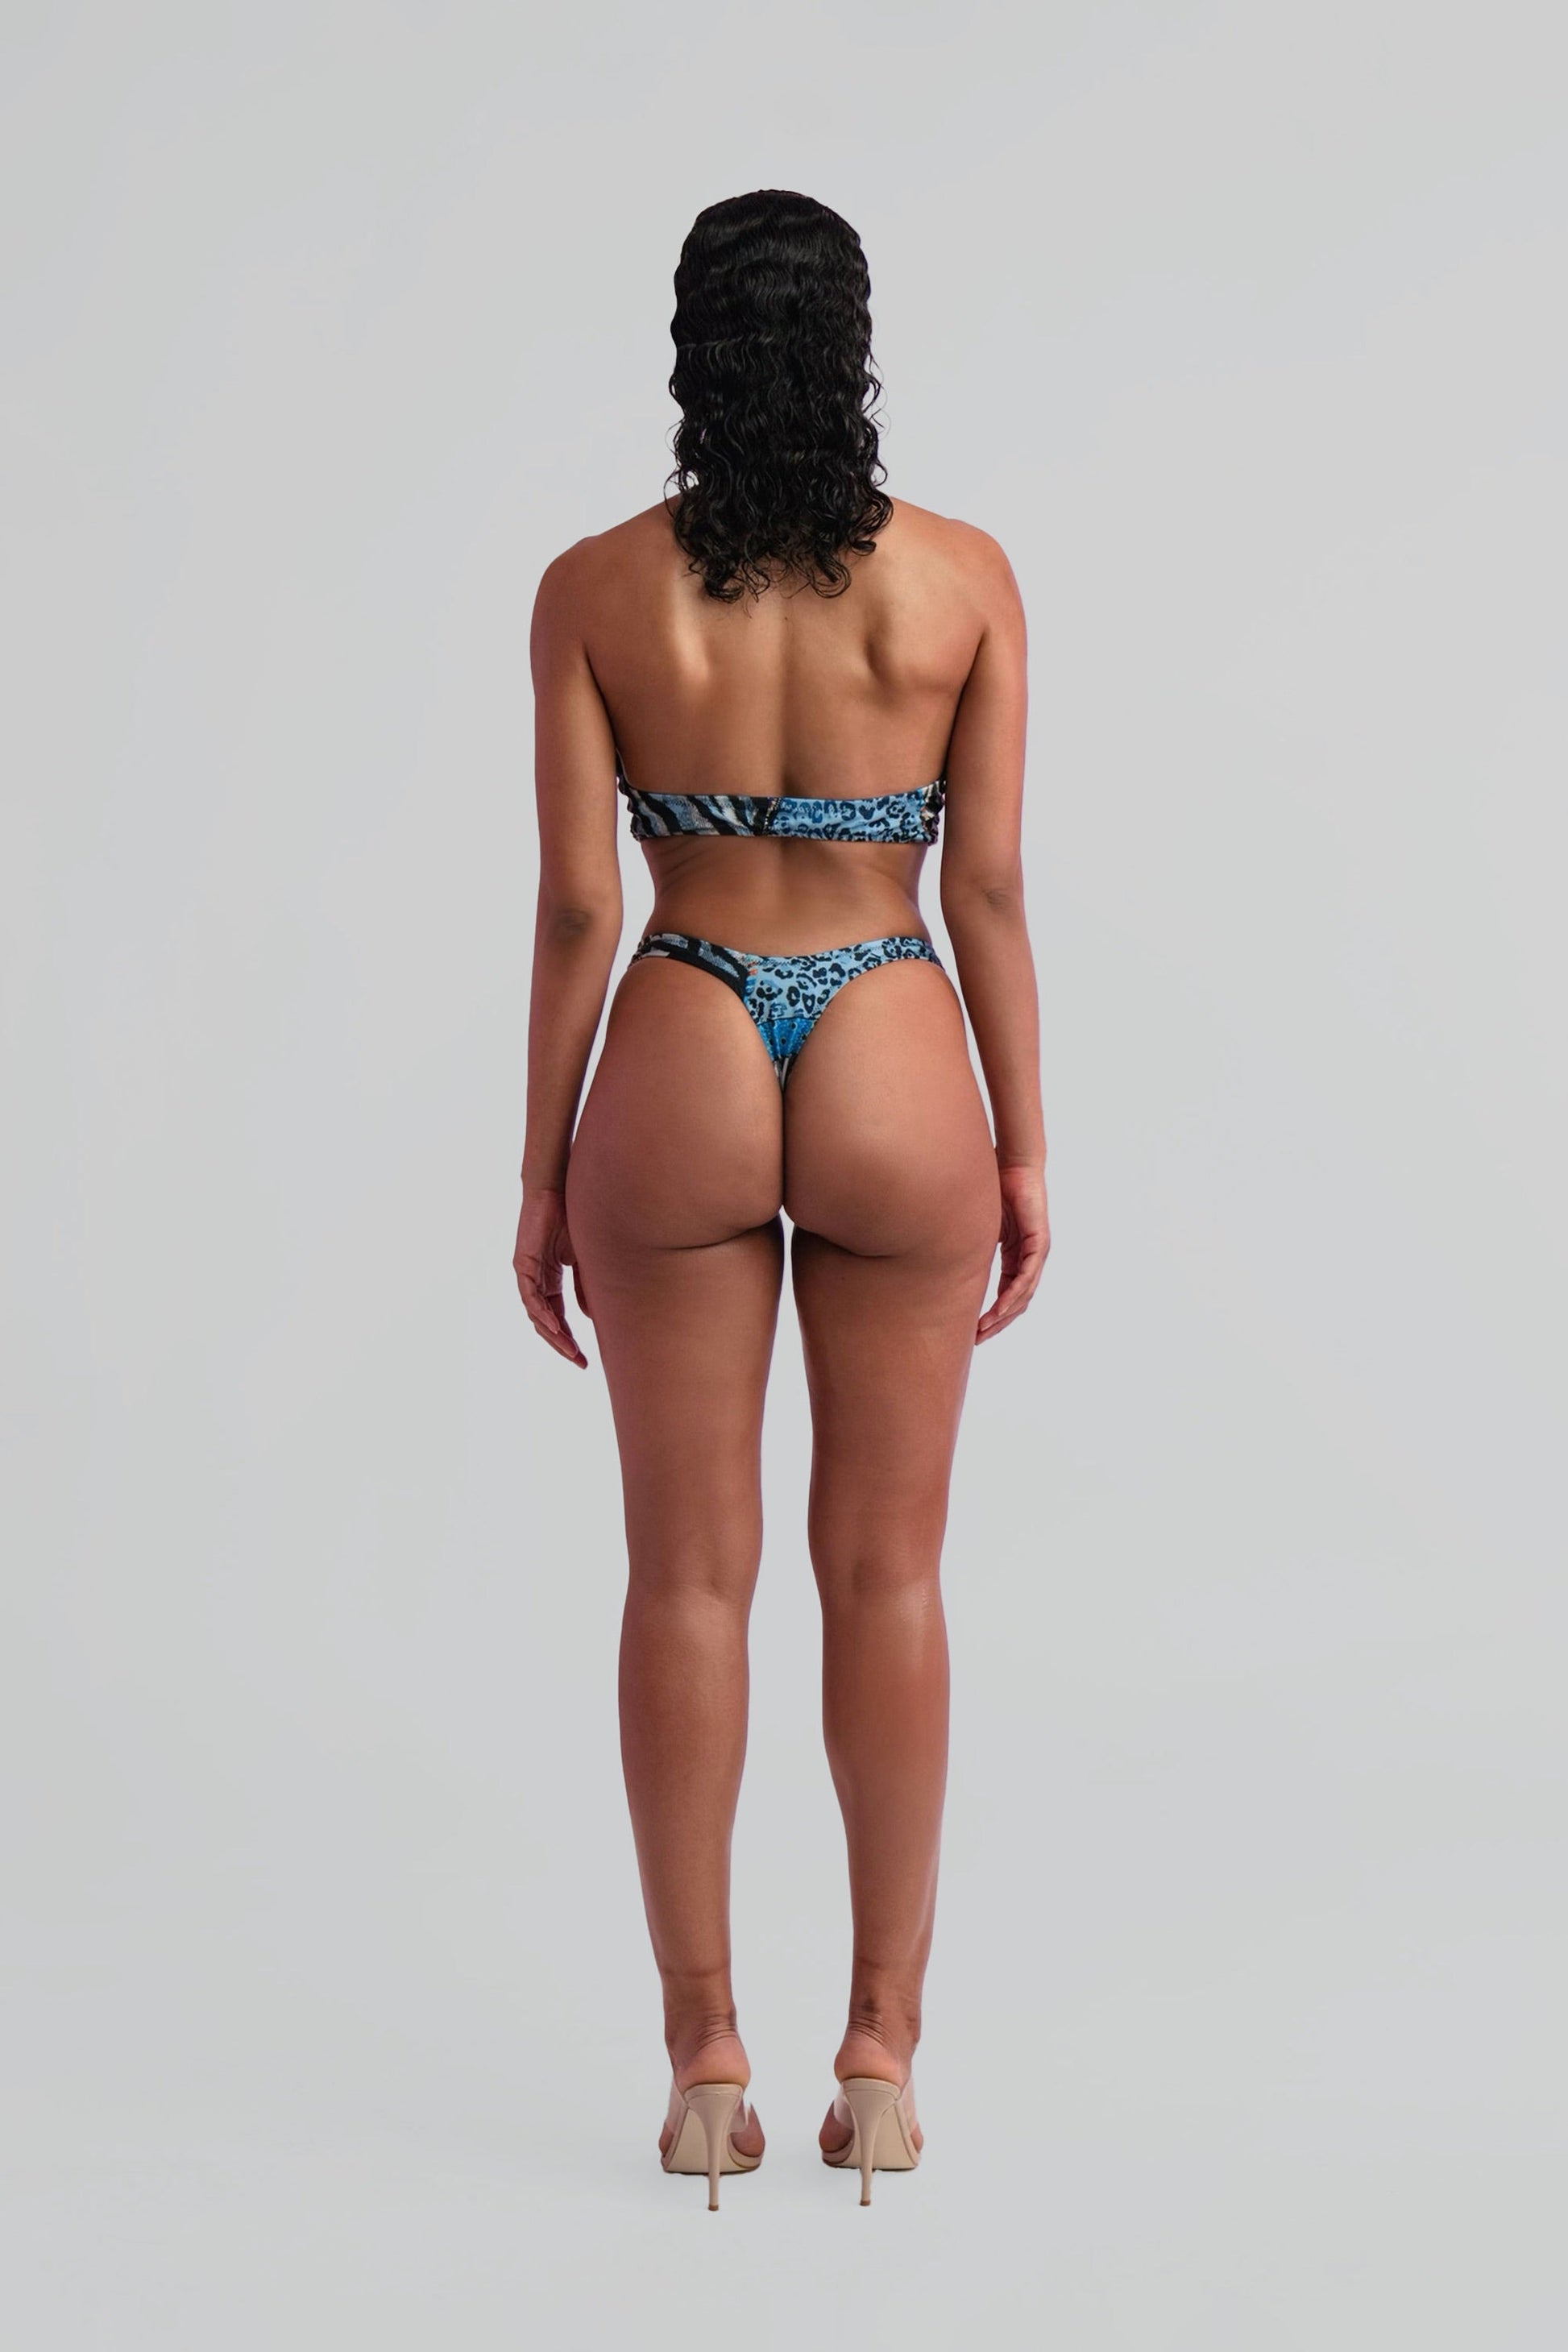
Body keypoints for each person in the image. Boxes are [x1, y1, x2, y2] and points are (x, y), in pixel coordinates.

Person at [513, 189, 1048, 2209]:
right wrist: (1020, 1141)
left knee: (687, 1578)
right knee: (886, 1574)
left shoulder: (593, 591)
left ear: (694, 348)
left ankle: (705, 2058)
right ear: (851, 347)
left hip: (682, 1034)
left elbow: (582, 906)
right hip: (894, 1027)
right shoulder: (962, 580)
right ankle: (882, 2055)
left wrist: (540, 1165)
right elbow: (983, 885)